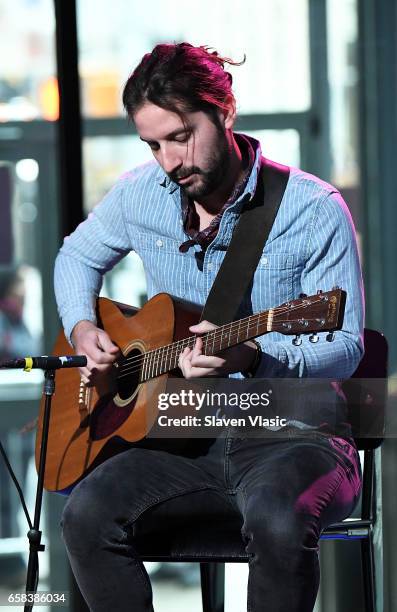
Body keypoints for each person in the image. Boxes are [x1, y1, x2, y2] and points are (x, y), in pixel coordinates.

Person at [55, 43, 364, 612]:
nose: (169, 162)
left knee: (276, 516)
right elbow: (76, 257)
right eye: (153, 145)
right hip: (180, 433)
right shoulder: (139, 193)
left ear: (225, 112)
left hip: (295, 433)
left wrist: (255, 355)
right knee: (85, 514)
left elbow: (345, 348)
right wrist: (81, 326)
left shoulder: (313, 208)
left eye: (180, 136)